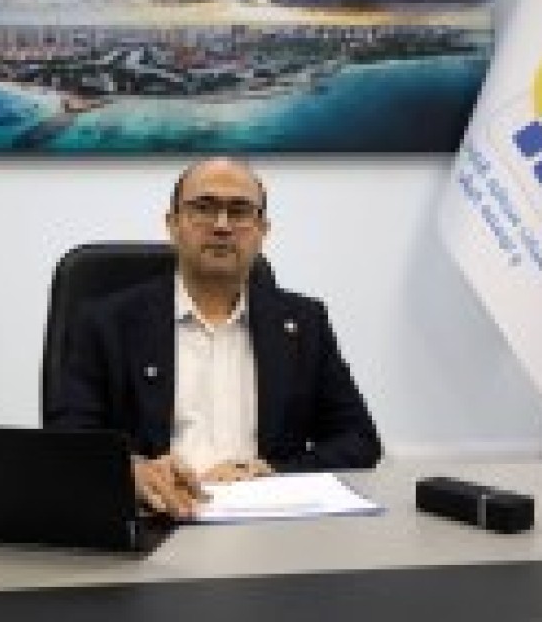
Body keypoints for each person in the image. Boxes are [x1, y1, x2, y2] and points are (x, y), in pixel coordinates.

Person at [46, 157, 381, 519]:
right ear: (173, 224)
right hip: (155, 520)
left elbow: (358, 440)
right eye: (204, 208)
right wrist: (134, 470)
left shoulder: (305, 323)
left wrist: (273, 474)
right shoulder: (105, 322)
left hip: (268, 521)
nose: (222, 225)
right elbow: (71, 438)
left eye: (239, 211)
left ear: (262, 230)